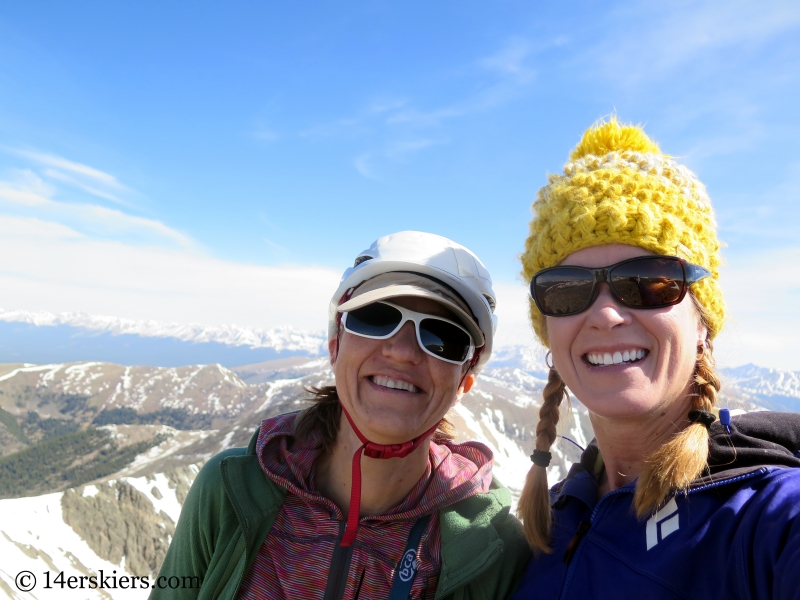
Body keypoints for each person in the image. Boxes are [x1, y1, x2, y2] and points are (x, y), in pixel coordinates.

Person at [510, 119, 800, 599]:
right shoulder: (551, 522)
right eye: (567, 288)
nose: (604, 313)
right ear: (548, 328)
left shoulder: (765, 519)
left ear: (702, 320)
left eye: (649, 280)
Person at [152, 230, 530, 599]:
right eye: (376, 317)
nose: (402, 351)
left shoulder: (492, 552)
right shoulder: (228, 492)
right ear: (335, 347)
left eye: (443, 337)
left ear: (464, 383)